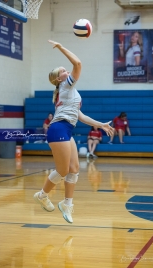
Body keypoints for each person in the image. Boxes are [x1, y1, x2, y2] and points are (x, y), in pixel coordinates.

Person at [34, 40, 114, 224]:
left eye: (65, 69)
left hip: (67, 129)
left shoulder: (70, 92)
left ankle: (67, 204)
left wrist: (101, 124)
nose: (66, 71)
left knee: (74, 169)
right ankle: (42, 195)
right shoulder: (65, 86)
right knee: (62, 170)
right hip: (58, 129)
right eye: (63, 71)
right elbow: (78, 64)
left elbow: (80, 116)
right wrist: (61, 47)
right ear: (58, 79)